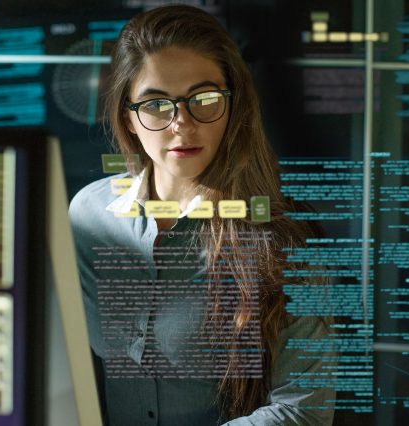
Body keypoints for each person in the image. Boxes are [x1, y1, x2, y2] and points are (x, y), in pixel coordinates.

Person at [69, 5, 334, 425]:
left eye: (204, 98)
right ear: (128, 118)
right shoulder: (88, 217)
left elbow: (303, 412)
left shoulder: (286, 236)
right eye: (156, 103)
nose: (181, 124)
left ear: (233, 107)